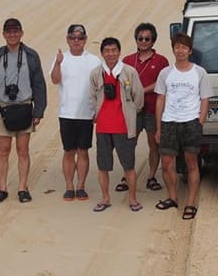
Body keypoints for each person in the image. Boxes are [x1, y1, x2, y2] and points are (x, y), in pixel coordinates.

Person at [0, 18, 47, 204]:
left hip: (25, 107)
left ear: (21, 33)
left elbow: (39, 83)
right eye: (9, 32)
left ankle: (22, 187)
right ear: (3, 34)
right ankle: (2, 188)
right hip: (3, 108)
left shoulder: (31, 55)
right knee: (3, 150)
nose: (12, 35)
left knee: (23, 150)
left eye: (15, 31)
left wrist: (39, 110)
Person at [154, 32, 210, 220]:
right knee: (167, 164)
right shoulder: (165, 73)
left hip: (190, 122)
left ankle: (191, 202)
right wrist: (159, 126)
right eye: (177, 47)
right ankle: (172, 197)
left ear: (190, 50)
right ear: (173, 49)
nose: (180, 51)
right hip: (169, 121)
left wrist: (199, 121)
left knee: (191, 164)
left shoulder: (199, 72)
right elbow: (160, 100)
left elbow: (204, 99)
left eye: (184, 47)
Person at [89, 37, 145, 212]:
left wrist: (130, 111)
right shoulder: (96, 73)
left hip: (123, 126)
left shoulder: (129, 72)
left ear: (119, 52)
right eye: (107, 50)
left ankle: (132, 199)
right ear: (102, 53)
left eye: (114, 50)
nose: (111, 54)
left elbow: (139, 96)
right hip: (103, 127)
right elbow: (92, 97)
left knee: (128, 165)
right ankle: (105, 198)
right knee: (103, 166)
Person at [49, 24, 101, 202]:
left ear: (85, 39)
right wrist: (57, 62)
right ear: (67, 39)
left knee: (83, 151)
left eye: (80, 38)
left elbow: (99, 87)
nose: (76, 41)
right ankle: (69, 186)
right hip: (67, 113)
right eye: (73, 38)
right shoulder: (62, 58)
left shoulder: (94, 60)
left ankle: (81, 186)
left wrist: (97, 110)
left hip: (87, 113)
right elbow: (55, 80)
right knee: (69, 151)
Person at [119, 22, 170, 193]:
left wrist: (140, 90)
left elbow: (161, 83)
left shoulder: (161, 61)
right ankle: (126, 176)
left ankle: (151, 176)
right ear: (136, 39)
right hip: (132, 109)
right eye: (140, 38)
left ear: (153, 40)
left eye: (147, 38)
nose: (143, 41)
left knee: (153, 143)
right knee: (128, 143)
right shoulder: (127, 60)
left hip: (152, 109)